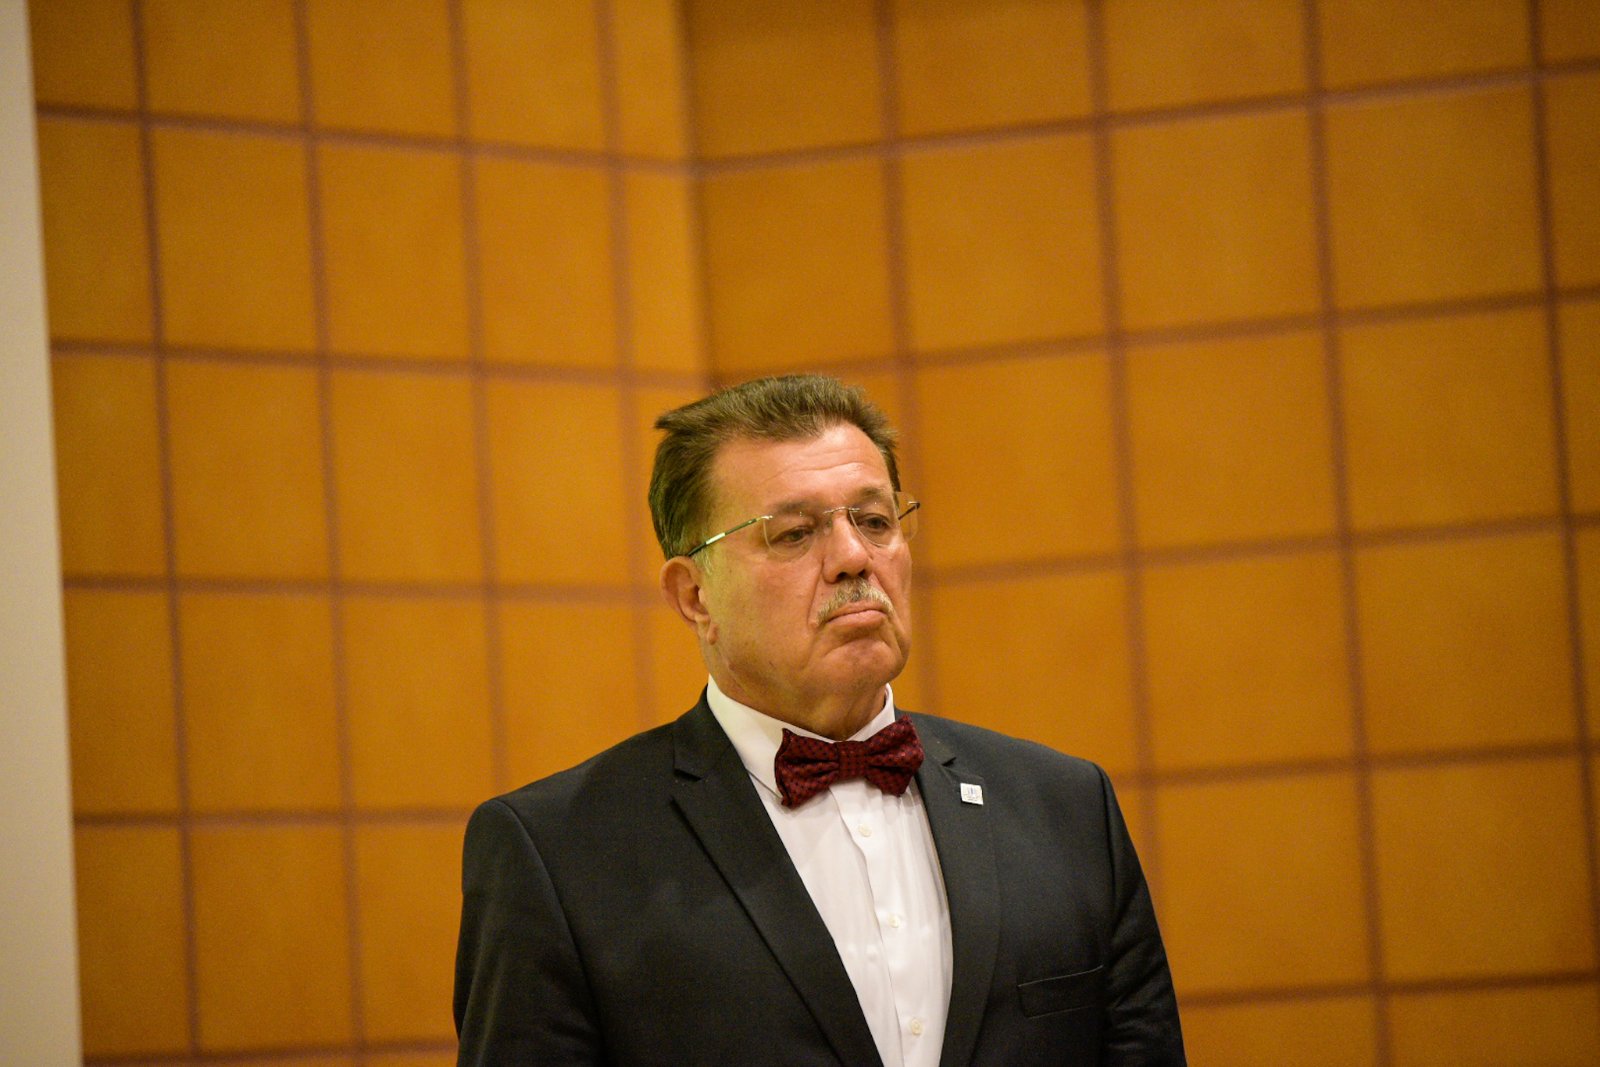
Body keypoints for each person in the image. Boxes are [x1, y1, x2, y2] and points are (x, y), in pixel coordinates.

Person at [454, 374, 1185, 1065]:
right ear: (695, 596)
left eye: (875, 520)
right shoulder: (559, 854)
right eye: (794, 534)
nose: (853, 557)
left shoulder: (1066, 808)